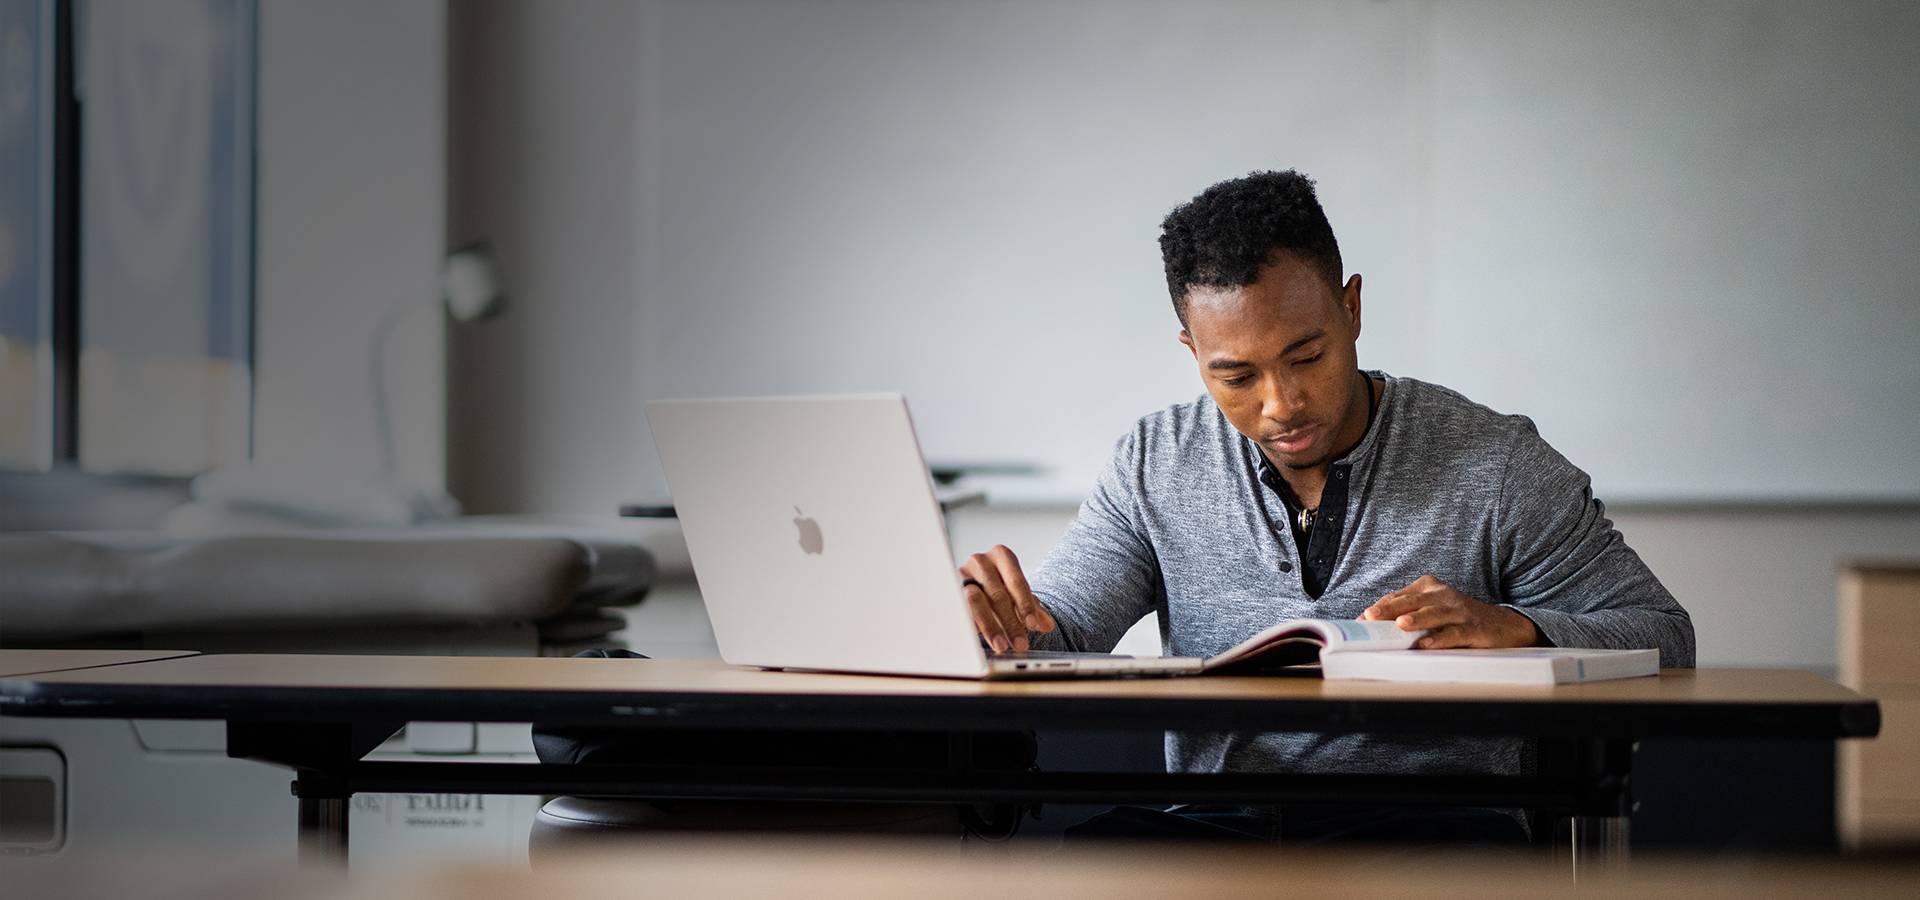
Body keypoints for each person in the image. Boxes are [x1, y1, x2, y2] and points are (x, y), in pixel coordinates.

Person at [957, 169, 1695, 844]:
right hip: (1214, 830)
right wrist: (985, 621)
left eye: (1306, 357)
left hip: (1432, 831)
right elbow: (1061, 633)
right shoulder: (1154, 464)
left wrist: (1520, 628)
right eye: (1236, 375)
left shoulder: (1496, 462)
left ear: (1351, 308)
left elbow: (1665, 634)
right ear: (1191, 352)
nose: (1282, 404)